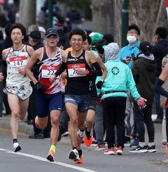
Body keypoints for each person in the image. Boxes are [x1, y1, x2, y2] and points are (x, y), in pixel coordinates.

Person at [50, 28, 103, 164]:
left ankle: (84, 136)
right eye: (74, 40)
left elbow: (98, 71)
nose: (77, 42)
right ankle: (75, 150)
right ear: (70, 41)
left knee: (81, 124)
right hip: (70, 93)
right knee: (72, 119)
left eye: (79, 40)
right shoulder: (67, 55)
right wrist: (55, 75)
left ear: (83, 41)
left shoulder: (89, 55)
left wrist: (86, 71)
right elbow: (63, 67)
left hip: (86, 94)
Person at [25, 28, 67, 162]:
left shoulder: (63, 54)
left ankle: (52, 150)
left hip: (56, 93)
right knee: (42, 125)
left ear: (58, 39)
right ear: (46, 39)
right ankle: (38, 118)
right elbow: (27, 68)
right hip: (42, 93)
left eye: (55, 37)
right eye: (50, 37)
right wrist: (36, 82)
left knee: (55, 119)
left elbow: (69, 67)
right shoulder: (39, 53)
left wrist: (63, 77)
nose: (52, 39)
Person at [101, 42, 146, 155]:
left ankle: (110, 147)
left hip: (107, 95)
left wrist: (98, 92)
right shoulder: (125, 67)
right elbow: (132, 85)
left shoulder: (104, 66)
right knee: (120, 122)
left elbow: (99, 82)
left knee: (109, 122)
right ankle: (120, 146)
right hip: (121, 96)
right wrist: (138, 97)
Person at [0, 23, 34, 152]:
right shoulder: (6, 52)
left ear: (23, 36)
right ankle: (15, 141)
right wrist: (1, 73)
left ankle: (21, 121)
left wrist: (26, 70)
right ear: (10, 36)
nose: (16, 36)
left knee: (22, 116)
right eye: (13, 34)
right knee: (15, 112)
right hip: (11, 85)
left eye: (18, 33)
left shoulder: (29, 50)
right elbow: (3, 65)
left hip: (25, 85)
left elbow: (36, 65)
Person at [130, 41, 156, 153]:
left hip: (139, 94)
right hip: (150, 93)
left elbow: (133, 78)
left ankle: (141, 144)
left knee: (139, 119)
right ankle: (152, 144)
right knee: (148, 119)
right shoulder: (154, 62)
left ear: (140, 50)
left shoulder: (138, 63)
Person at [119, 24, 141, 146]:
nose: (131, 35)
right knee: (126, 111)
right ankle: (126, 135)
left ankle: (136, 135)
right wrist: (123, 62)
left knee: (135, 111)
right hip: (124, 83)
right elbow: (117, 63)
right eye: (130, 33)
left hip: (136, 83)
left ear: (138, 36)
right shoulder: (123, 50)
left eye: (134, 33)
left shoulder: (140, 48)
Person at [152, 27, 168, 124]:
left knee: (158, 94)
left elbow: (150, 57)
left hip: (159, 72)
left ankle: (160, 115)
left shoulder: (157, 47)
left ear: (157, 35)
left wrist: (154, 43)